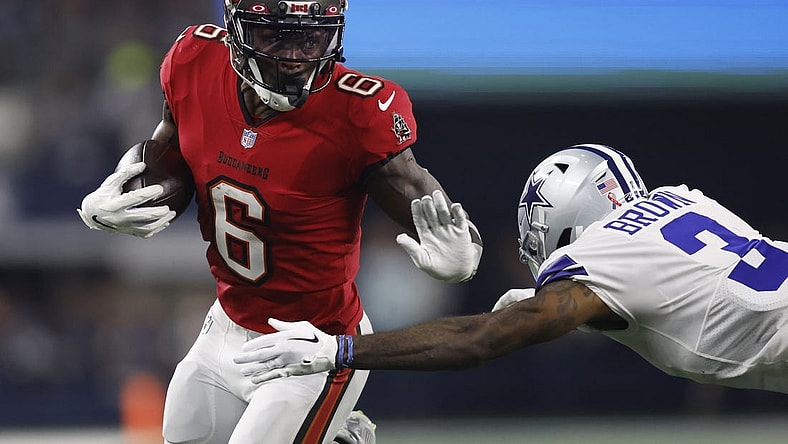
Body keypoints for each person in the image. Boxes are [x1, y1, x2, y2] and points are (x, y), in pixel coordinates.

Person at [77, 1, 483, 443]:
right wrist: (127, 193)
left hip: (313, 342)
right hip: (225, 325)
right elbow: (173, 158)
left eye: (310, 38)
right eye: (275, 36)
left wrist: (464, 250)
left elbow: (422, 196)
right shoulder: (195, 59)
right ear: (236, 30)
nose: (294, 56)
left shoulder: (359, 111)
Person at [234, 143, 788, 395]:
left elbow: (479, 342)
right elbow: (686, 289)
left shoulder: (600, 258)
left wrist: (339, 351)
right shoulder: (684, 200)